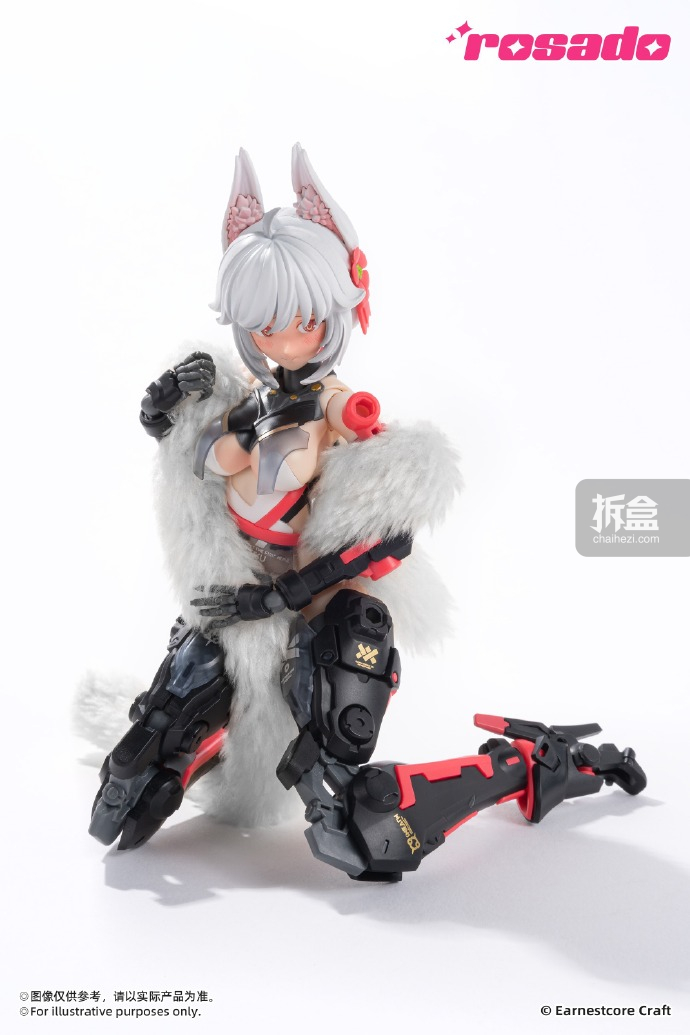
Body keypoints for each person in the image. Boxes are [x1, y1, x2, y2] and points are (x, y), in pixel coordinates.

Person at [87, 146, 644, 880]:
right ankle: (214, 748)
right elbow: (211, 466)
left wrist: (281, 595)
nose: (283, 339)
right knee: (130, 786)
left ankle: (528, 765)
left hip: (316, 602)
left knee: (356, 822)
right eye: (264, 323)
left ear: (334, 313)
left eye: (301, 319)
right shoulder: (249, 399)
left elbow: (385, 538)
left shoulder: (338, 409)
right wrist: (170, 416)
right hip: (234, 599)